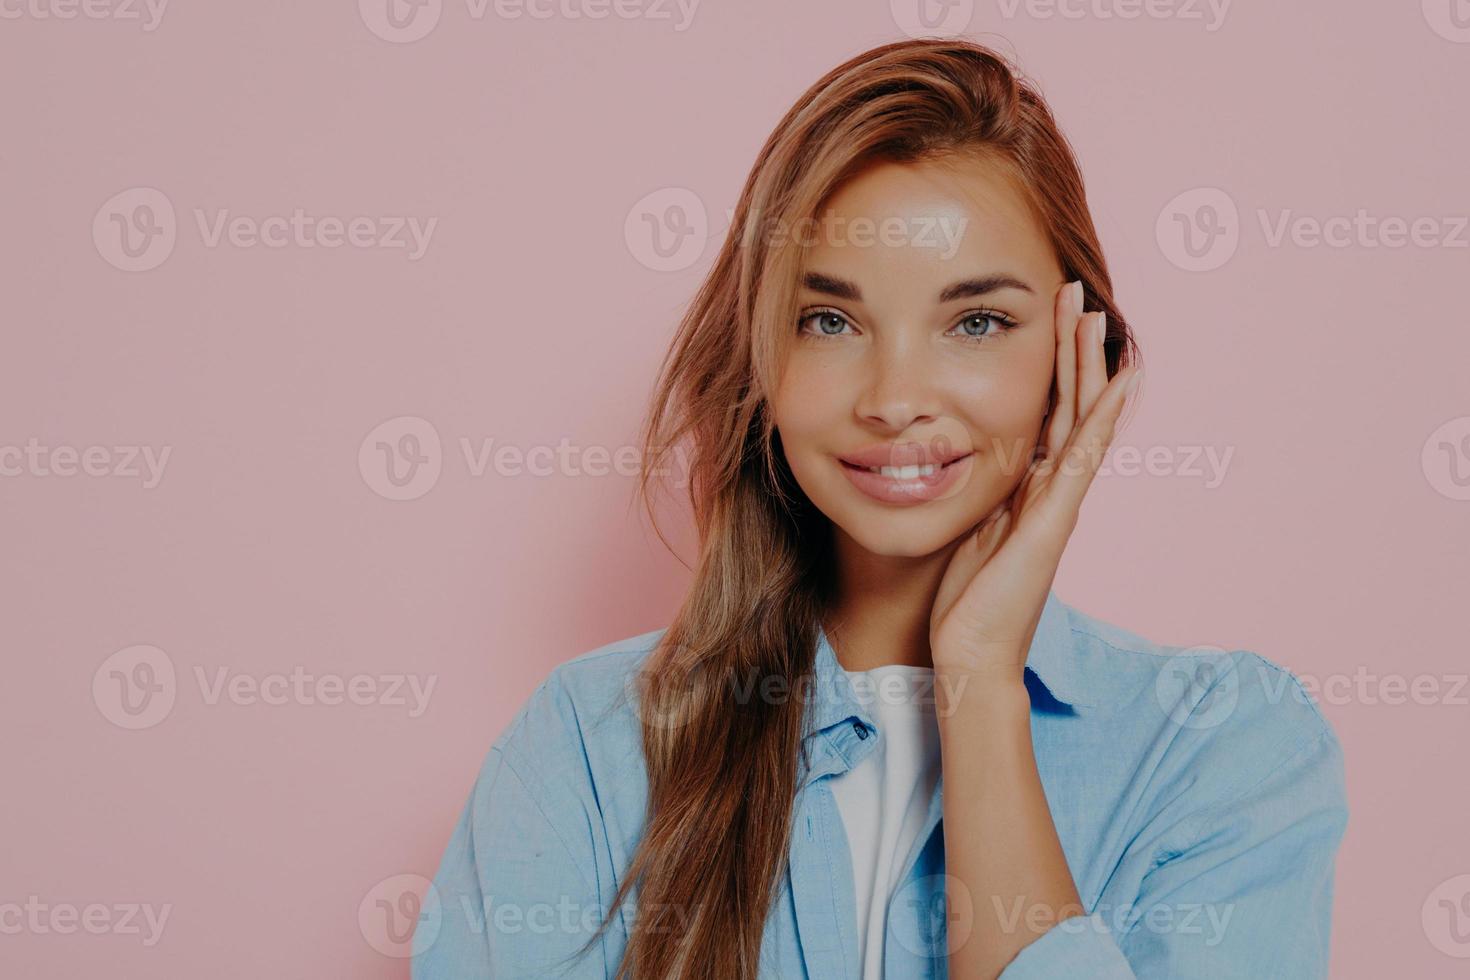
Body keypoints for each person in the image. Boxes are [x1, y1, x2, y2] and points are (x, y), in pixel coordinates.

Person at [412, 37, 1348, 979]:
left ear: (1080, 354)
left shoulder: (1221, 746)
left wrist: (980, 680)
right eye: (830, 321)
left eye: (976, 322)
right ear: (761, 361)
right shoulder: (585, 747)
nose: (895, 397)